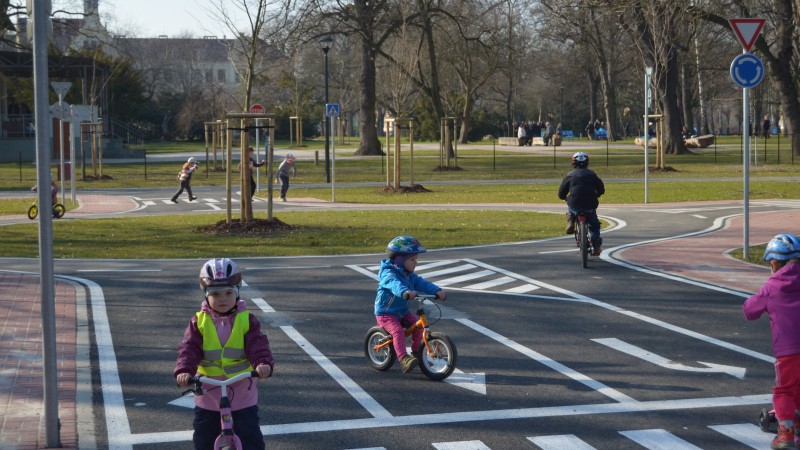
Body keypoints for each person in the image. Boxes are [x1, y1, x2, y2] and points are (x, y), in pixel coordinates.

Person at [175, 258, 274, 450]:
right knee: (204, 436)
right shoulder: (199, 322)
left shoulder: (247, 321)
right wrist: (184, 370)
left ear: (237, 292)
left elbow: (258, 345)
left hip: (242, 390)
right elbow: (189, 348)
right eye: (216, 294)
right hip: (208, 392)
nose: (223, 299)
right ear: (206, 295)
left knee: (249, 435)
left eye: (229, 293)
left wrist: (262, 363)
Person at [743, 234, 800, 449]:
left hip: (788, 351)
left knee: (784, 389)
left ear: (775, 262)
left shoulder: (772, 286)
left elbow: (749, 311)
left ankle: (785, 433)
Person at [374, 236, 447, 374]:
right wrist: (404, 291)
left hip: (402, 311)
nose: (416, 263)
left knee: (418, 327)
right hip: (386, 313)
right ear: (400, 260)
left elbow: (422, 283)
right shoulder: (388, 273)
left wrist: (437, 290)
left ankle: (416, 354)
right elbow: (393, 284)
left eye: (416, 259)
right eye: (412, 259)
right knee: (397, 331)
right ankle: (404, 360)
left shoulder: (410, 275)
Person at [558, 151, 606, 256]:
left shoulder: (569, 175)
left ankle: (571, 220)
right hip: (590, 203)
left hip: (574, 203)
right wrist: (597, 194)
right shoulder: (592, 174)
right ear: (587, 162)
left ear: (573, 163)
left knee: (570, 205)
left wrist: (564, 197)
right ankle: (596, 245)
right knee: (594, 224)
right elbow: (601, 189)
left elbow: (561, 192)